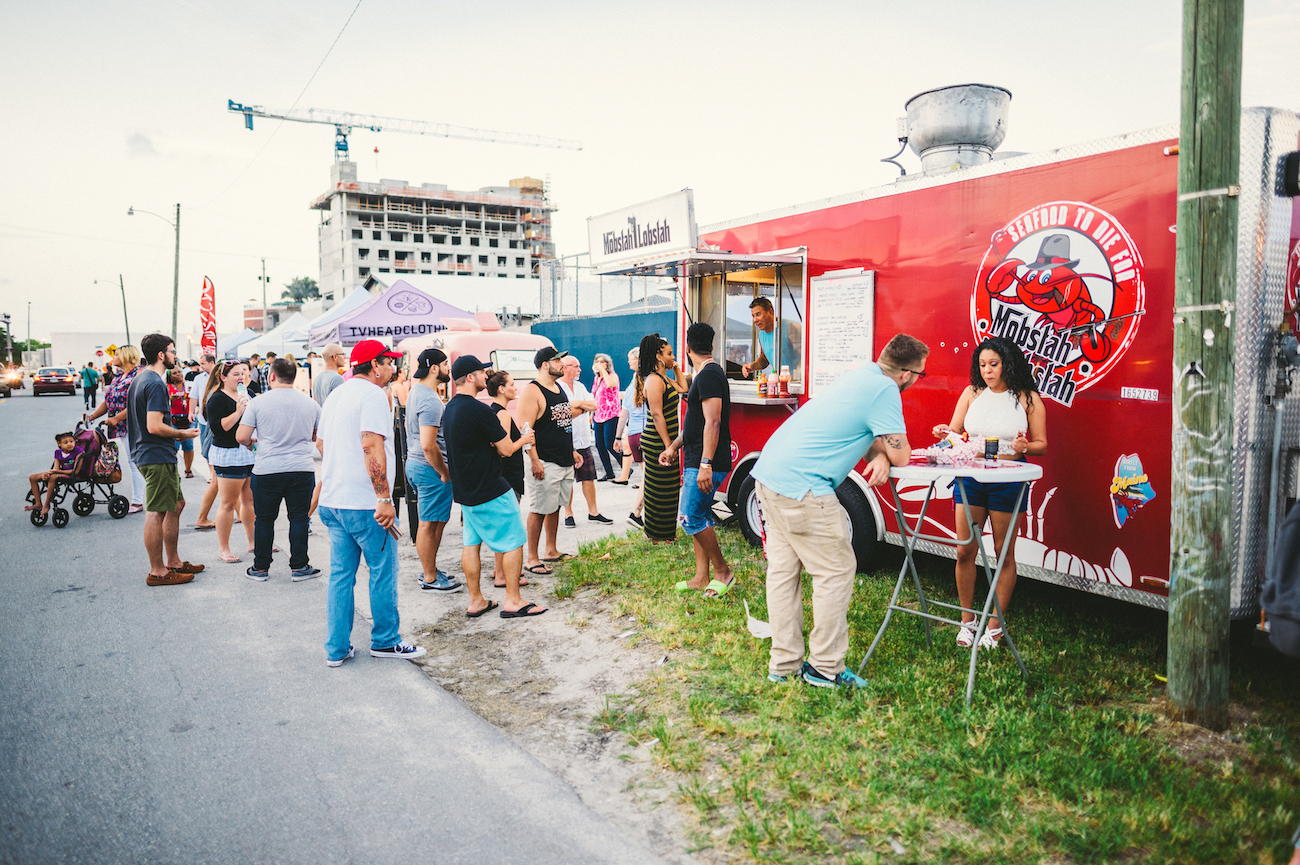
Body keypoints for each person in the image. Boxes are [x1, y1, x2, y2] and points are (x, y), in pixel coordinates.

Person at [752, 333, 929, 689]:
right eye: (921, 375)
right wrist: (883, 452)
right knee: (836, 571)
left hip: (768, 476)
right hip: (804, 488)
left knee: (784, 574)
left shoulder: (859, 376)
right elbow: (903, 454)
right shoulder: (887, 391)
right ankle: (824, 668)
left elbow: (855, 428)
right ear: (907, 374)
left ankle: (784, 665)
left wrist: (876, 451)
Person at [317, 339, 426, 667]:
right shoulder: (373, 395)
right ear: (374, 365)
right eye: (389, 362)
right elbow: (370, 445)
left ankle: (336, 648)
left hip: (335, 500)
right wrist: (382, 498)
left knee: (341, 575)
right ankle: (385, 640)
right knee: (382, 571)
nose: (393, 368)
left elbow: (322, 442)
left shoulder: (337, 394)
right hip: (365, 504)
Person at [933, 336, 1047, 650]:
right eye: (982, 365)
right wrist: (944, 434)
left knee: (1003, 554)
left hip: (1008, 480)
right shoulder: (972, 393)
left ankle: (994, 627)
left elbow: (1042, 444)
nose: (987, 371)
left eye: (993, 364)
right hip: (970, 477)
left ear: (1008, 364)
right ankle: (967, 622)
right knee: (964, 551)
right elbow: (954, 435)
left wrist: (1027, 447)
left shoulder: (1027, 399)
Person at [442, 355, 542, 619]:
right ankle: (513, 600)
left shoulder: (450, 408)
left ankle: (476, 600)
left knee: (471, 545)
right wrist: (525, 439)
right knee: (513, 542)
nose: (487, 377)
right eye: (482, 373)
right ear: (471, 377)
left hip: (465, 491)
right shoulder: (479, 409)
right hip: (490, 488)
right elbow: (507, 449)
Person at [658, 323, 734, 597]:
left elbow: (712, 423)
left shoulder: (711, 375)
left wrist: (705, 464)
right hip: (694, 457)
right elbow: (694, 423)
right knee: (700, 516)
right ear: (712, 346)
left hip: (705, 462)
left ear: (687, 349)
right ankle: (702, 576)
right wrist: (673, 448)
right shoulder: (704, 375)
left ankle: (723, 572)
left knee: (690, 518)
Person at [236, 357, 322, 582]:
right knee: (299, 519)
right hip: (301, 468)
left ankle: (261, 568)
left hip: (267, 468)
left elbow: (242, 436)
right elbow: (319, 434)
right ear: (294, 377)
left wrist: (252, 444)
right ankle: (299, 566)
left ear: (271, 376)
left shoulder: (258, 403)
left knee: (264, 519)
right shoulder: (310, 403)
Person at [128, 333, 204, 587]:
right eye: (173, 351)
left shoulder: (140, 378)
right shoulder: (156, 383)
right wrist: (181, 433)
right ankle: (157, 570)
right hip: (155, 454)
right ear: (162, 355)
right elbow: (154, 426)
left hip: (153, 453)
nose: (175, 356)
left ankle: (173, 561)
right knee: (156, 511)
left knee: (176, 504)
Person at [518, 346, 582, 576]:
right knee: (539, 508)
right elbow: (525, 431)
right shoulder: (532, 392)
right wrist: (534, 461)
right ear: (545, 364)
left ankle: (551, 550)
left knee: (554, 506)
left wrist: (572, 450)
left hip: (563, 459)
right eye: (557, 360)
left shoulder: (558, 388)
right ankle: (532, 558)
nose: (562, 364)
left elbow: (562, 422)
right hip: (545, 461)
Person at [404, 348, 461, 593]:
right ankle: (429, 576)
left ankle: (431, 569)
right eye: (446, 364)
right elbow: (429, 445)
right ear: (434, 368)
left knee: (435, 522)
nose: (449, 368)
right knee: (428, 524)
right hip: (430, 468)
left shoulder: (417, 391)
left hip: (419, 466)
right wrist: (445, 472)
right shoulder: (429, 399)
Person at [204, 360, 256, 564]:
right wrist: (238, 412)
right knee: (228, 504)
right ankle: (223, 548)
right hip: (228, 453)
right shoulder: (216, 398)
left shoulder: (247, 395)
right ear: (223, 377)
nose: (241, 377)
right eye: (235, 374)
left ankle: (253, 542)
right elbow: (218, 428)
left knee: (250, 501)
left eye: (242, 373)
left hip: (248, 452)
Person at [638, 333, 688, 542]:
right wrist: (669, 445)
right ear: (658, 356)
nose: (672, 356)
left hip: (665, 440)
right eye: (669, 353)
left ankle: (666, 533)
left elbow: (684, 388)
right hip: (657, 440)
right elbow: (657, 415)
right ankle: (656, 534)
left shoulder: (664, 378)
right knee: (658, 489)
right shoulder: (654, 380)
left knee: (668, 487)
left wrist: (675, 367)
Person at [487, 370, 534, 589]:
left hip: (504, 477)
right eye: (512, 384)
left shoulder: (495, 411)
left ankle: (499, 570)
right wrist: (524, 439)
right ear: (501, 389)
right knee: (507, 527)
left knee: (502, 525)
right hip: (508, 477)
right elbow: (503, 449)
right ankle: (503, 575)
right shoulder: (503, 414)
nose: (516, 388)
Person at [88, 345, 144, 514]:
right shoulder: (119, 376)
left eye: (117, 354)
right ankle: (138, 499)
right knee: (132, 460)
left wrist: (117, 418)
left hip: (133, 423)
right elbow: (108, 402)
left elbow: (136, 402)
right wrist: (92, 416)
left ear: (127, 356)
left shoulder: (139, 374)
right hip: (120, 425)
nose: (114, 356)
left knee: (134, 461)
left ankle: (137, 501)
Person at [559, 355, 612, 527]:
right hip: (567, 442)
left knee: (588, 478)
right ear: (565, 368)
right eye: (576, 366)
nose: (580, 370)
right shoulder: (557, 388)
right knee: (567, 480)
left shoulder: (580, 386)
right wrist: (582, 407)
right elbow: (564, 411)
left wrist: (578, 404)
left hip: (583, 441)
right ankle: (568, 514)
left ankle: (593, 512)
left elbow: (594, 405)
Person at [614, 348, 647, 527]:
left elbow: (624, 414)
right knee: (649, 477)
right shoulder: (649, 380)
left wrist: (619, 437)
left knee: (647, 476)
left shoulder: (632, 384)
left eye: (630, 359)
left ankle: (639, 514)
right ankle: (636, 513)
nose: (628, 362)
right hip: (646, 433)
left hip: (634, 434)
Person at [188, 354, 219, 530]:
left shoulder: (220, 377)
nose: (200, 367)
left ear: (212, 363)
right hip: (206, 421)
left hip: (216, 422)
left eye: (203, 364)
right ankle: (211, 472)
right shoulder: (199, 379)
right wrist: (191, 410)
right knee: (206, 450)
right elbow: (194, 397)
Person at [25, 432, 85, 517]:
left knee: (53, 477)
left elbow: (75, 471)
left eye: (71, 441)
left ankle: (46, 504)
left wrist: (54, 473)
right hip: (61, 473)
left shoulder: (79, 451)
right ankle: (38, 504)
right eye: (66, 442)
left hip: (73, 474)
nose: (69, 444)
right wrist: (47, 474)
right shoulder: (58, 453)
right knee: (32, 477)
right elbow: (56, 469)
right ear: (59, 444)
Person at [591, 353, 621, 482]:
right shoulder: (596, 379)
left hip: (611, 414)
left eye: (602, 362)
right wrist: (591, 414)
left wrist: (603, 370)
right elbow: (595, 397)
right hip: (598, 415)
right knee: (599, 445)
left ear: (608, 364)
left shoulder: (612, 376)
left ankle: (625, 467)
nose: (599, 364)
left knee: (610, 444)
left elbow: (610, 385)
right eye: (597, 361)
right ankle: (609, 472)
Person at [167, 368, 195, 479]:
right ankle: (173, 471)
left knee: (188, 445)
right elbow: (162, 401)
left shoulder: (189, 385)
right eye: (174, 373)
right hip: (174, 418)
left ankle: (188, 470)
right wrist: (170, 398)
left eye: (179, 372)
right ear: (170, 376)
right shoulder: (167, 387)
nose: (178, 374)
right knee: (174, 446)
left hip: (188, 417)